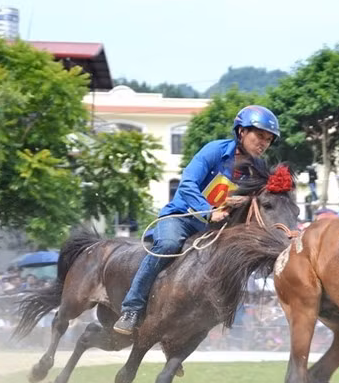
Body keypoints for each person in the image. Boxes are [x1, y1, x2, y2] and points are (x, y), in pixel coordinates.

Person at [113, 105, 281, 335]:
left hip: (216, 229)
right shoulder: (214, 150)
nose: (264, 143)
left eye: (269, 140)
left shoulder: (259, 168)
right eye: (259, 136)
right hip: (182, 217)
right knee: (168, 245)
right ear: (241, 131)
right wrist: (208, 211)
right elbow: (187, 184)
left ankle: (188, 329)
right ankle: (131, 308)